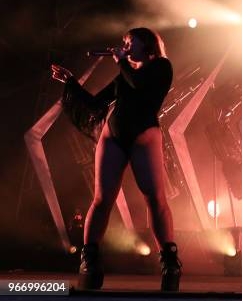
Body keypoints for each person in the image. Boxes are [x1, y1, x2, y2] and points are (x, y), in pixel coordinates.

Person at [51, 27, 181, 291]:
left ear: (147, 44)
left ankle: (169, 261)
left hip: (144, 135)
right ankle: (90, 260)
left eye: (129, 41)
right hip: (114, 137)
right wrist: (71, 83)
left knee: (155, 199)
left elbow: (140, 84)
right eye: (123, 42)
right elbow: (96, 103)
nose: (124, 45)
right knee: (101, 199)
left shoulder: (161, 67)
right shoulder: (124, 73)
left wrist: (122, 61)